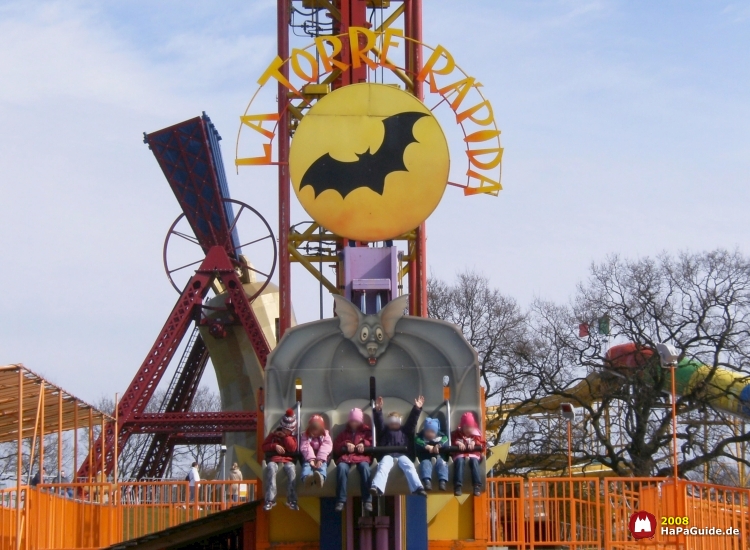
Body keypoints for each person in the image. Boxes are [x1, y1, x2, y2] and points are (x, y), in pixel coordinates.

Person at [370, 396, 427, 497]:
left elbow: (412, 422)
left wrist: (417, 409)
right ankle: (377, 486)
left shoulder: (404, 431)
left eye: (396, 421)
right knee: (383, 466)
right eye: (391, 421)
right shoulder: (384, 431)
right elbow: (379, 423)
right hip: (388, 454)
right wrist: (378, 411)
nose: (394, 423)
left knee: (409, 466)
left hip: (401, 454)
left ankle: (418, 487)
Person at [333, 407, 373, 512]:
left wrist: (364, 444)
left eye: (356, 421)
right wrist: (345, 444)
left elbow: (372, 443)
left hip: (361, 457)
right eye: (352, 421)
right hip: (347, 457)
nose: (354, 423)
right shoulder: (344, 434)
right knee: (341, 468)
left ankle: (367, 500)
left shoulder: (366, 432)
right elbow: (336, 447)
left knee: (365, 468)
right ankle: (341, 500)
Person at [261, 408, 299, 511]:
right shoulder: (273, 436)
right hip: (274, 459)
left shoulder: (292, 438)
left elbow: (292, 448)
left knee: (291, 471)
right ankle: (270, 499)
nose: (284, 431)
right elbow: (264, 447)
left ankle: (292, 500)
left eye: (287, 430)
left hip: (288, 460)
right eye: (283, 429)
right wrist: (274, 446)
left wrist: (286, 438)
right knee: (271, 468)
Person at [451, 412, 486, 496]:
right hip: (460, 454)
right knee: (460, 462)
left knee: (474, 462)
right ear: (462, 426)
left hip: (473, 454)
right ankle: (458, 485)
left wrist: (474, 443)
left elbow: (483, 444)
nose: (468, 430)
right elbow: (452, 441)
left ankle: (477, 485)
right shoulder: (456, 434)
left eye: (470, 427)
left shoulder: (476, 435)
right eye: (466, 427)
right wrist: (458, 443)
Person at [415, 417, 449, 491]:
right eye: (427, 431)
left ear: (436, 432)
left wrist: (439, 445)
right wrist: (426, 446)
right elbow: (416, 441)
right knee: (425, 464)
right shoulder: (421, 438)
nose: (429, 434)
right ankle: (427, 481)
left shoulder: (441, 437)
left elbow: (446, 440)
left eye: (432, 432)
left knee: (442, 464)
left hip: (439, 457)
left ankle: (442, 481)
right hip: (426, 457)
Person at [300, 414, 333, 488]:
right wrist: (311, 459)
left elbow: (326, 446)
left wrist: (320, 459)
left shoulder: (325, 436)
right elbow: (305, 446)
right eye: (313, 430)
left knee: (322, 466)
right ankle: (306, 479)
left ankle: (321, 477)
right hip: (308, 457)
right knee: (306, 465)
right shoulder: (305, 435)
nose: (315, 433)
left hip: (322, 457)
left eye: (317, 430)